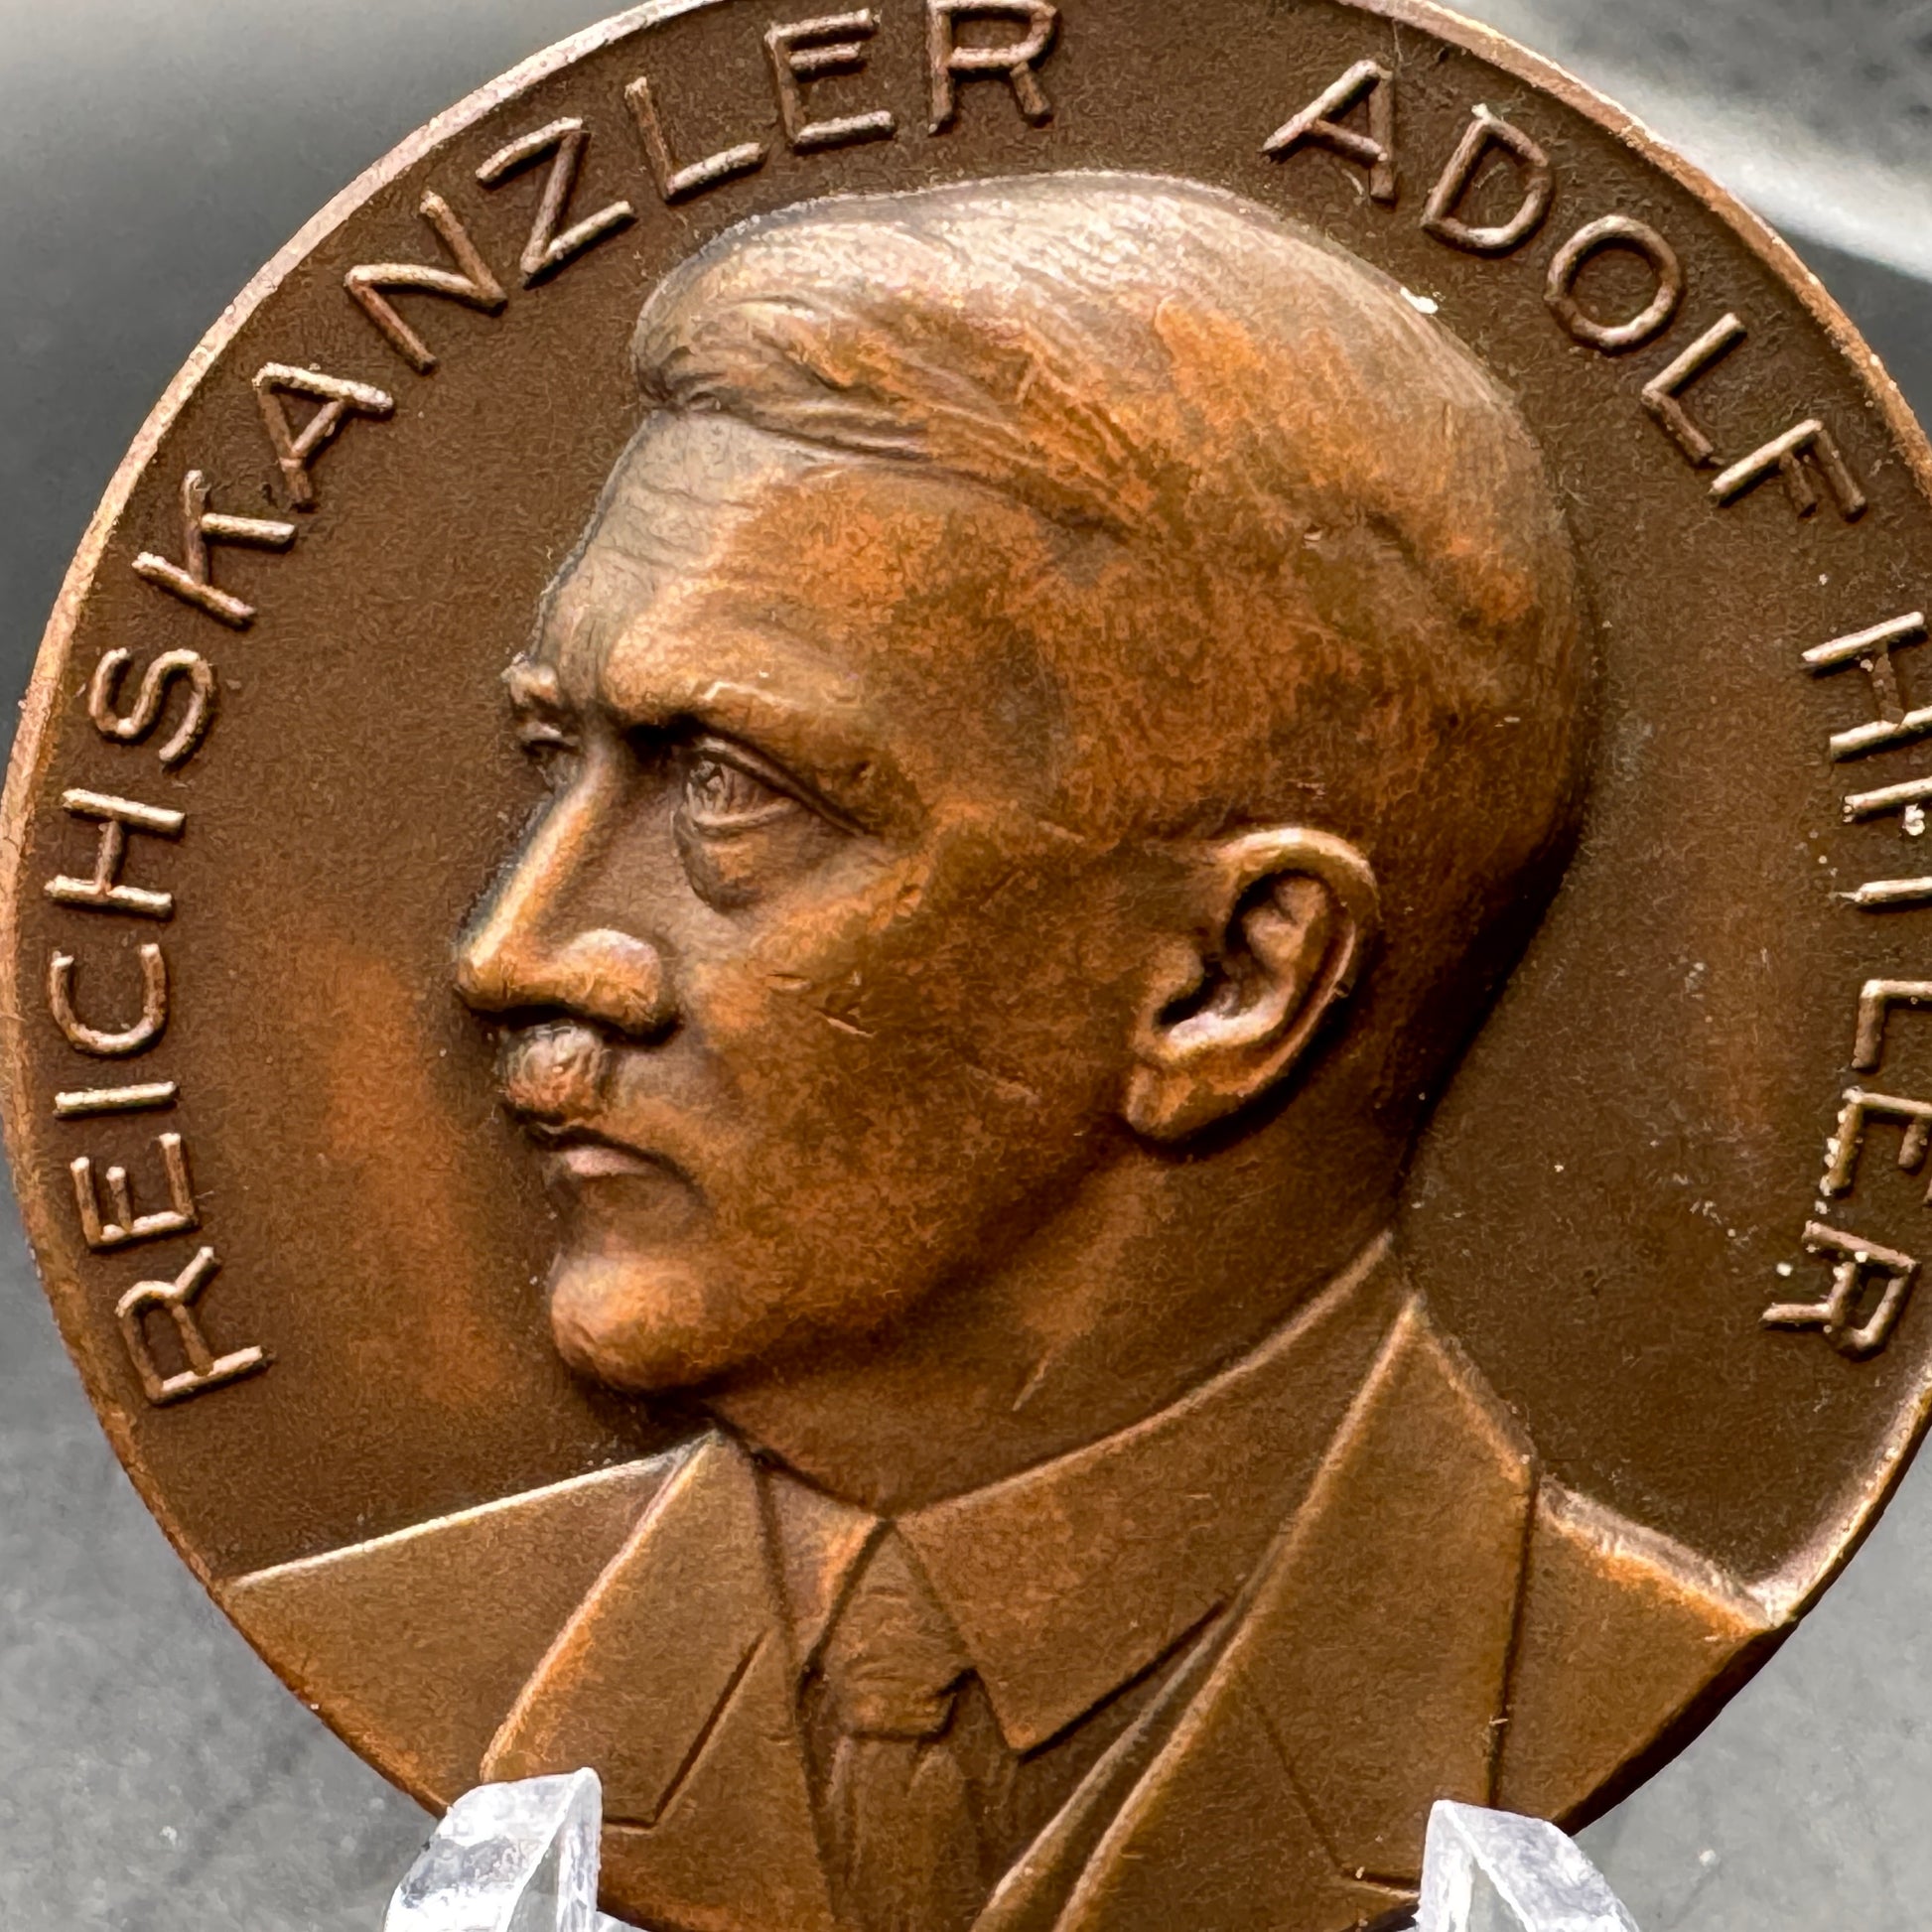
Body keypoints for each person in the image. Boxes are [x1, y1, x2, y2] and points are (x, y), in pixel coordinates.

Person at [228, 175, 1768, 1932]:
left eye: (732, 789)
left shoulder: (1571, 1654)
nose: (508, 949)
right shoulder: (450, 1623)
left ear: (1226, 980)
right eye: (550, 754)